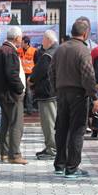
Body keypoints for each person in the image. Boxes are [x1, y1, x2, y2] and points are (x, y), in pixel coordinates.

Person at [51, 20, 98, 178]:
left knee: (62, 128)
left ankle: (60, 164)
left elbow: (50, 72)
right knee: (77, 130)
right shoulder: (83, 50)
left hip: (62, 92)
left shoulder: (60, 48)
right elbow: (88, 75)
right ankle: (72, 167)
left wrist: (55, 90)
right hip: (78, 93)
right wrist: (94, 96)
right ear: (85, 34)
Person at [0, 26, 28, 165]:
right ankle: (14, 155)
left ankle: (5, 153)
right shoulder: (10, 52)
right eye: (21, 37)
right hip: (12, 95)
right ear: (17, 38)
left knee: (6, 124)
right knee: (16, 125)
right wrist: (20, 89)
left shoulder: (0, 51)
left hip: (3, 94)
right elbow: (12, 74)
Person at [29, 30, 58, 160]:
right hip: (56, 92)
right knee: (53, 122)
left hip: (47, 93)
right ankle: (51, 147)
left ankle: (51, 149)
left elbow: (37, 73)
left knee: (49, 123)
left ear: (48, 40)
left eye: (43, 40)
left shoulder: (48, 55)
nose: (42, 43)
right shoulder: (59, 51)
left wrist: (31, 80)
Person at [18, 36, 37, 115]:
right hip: (21, 74)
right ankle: (21, 109)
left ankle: (29, 110)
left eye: (22, 42)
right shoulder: (18, 50)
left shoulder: (34, 51)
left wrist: (33, 75)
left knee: (29, 93)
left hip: (30, 74)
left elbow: (36, 63)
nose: (21, 44)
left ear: (27, 43)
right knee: (21, 92)